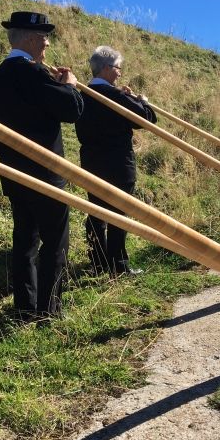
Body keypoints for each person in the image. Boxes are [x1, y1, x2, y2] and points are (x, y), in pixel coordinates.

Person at [0, 11, 83, 317]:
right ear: (29, 38)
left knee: (25, 241)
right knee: (55, 241)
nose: (46, 44)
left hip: (14, 173)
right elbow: (72, 110)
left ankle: (25, 307)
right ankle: (50, 309)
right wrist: (69, 85)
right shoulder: (34, 73)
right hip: (46, 174)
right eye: (44, 38)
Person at [75, 45, 157, 276]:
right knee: (120, 214)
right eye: (118, 68)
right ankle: (118, 266)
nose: (120, 72)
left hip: (92, 162)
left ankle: (98, 263)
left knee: (96, 212)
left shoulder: (82, 95)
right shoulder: (115, 95)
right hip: (119, 163)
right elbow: (146, 120)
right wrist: (142, 101)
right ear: (107, 68)